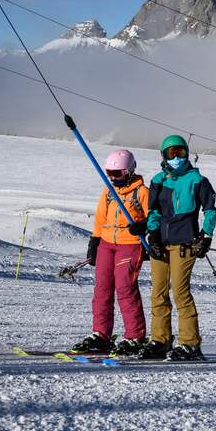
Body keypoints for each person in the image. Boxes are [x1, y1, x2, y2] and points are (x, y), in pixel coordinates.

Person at [135, 135, 216, 362]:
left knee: (180, 292)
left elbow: (210, 210)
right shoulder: (159, 180)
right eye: (171, 153)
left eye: (180, 152)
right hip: (161, 243)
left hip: (185, 244)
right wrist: (152, 236)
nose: (176, 158)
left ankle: (190, 344)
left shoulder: (197, 180)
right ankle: (160, 341)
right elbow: (153, 212)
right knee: (158, 292)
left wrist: (206, 236)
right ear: (163, 155)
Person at [72, 149, 150, 355]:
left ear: (130, 171)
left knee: (125, 288)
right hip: (107, 243)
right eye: (110, 173)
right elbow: (100, 218)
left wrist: (144, 226)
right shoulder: (108, 192)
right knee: (102, 290)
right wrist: (94, 241)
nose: (113, 178)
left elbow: (153, 217)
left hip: (130, 243)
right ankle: (101, 335)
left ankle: (135, 336)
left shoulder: (142, 192)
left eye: (118, 174)